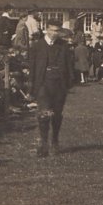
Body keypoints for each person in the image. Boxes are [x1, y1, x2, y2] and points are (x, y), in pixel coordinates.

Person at [29, 19, 72, 157]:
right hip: (43, 83)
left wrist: (68, 83)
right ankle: (43, 143)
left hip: (59, 84)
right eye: (53, 30)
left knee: (57, 114)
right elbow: (32, 68)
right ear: (46, 29)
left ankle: (55, 141)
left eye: (58, 31)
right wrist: (32, 87)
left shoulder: (63, 46)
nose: (55, 33)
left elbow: (69, 66)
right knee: (44, 113)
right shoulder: (37, 46)